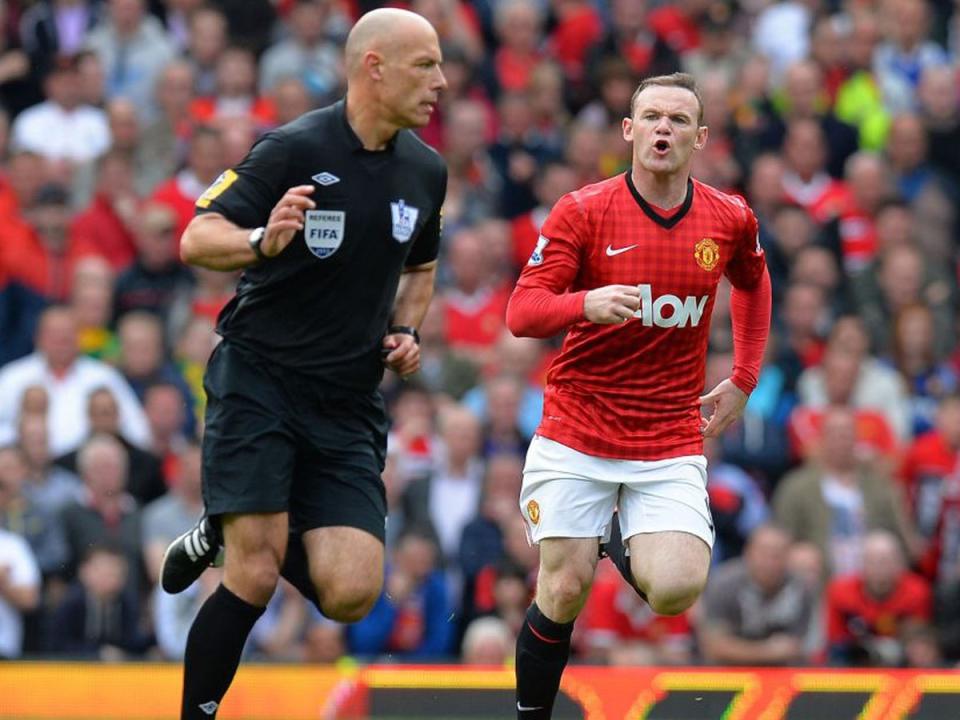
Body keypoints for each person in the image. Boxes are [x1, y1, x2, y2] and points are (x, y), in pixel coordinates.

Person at [156, 8, 447, 719]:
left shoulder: (426, 171)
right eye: (424, 65)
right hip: (261, 378)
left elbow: (421, 267)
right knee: (254, 573)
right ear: (373, 67)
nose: (440, 82)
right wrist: (262, 239)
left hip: (346, 401)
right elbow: (198, 238)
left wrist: (407, 329)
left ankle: (223, 524)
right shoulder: (293, 148)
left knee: (351, 591)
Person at [505, 72, 771, 719]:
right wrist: (583, 303)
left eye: (679, 120)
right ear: (628, 130)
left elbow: (754, 284)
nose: (663, 129)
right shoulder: (584, 210)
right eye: (651, 116)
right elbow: (522, 311)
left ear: (700, 137)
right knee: (564, 589)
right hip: (579, 423)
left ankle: (610, 535)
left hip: (666, 434)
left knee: (676, 590)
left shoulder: (728, 216)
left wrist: (743, 377)